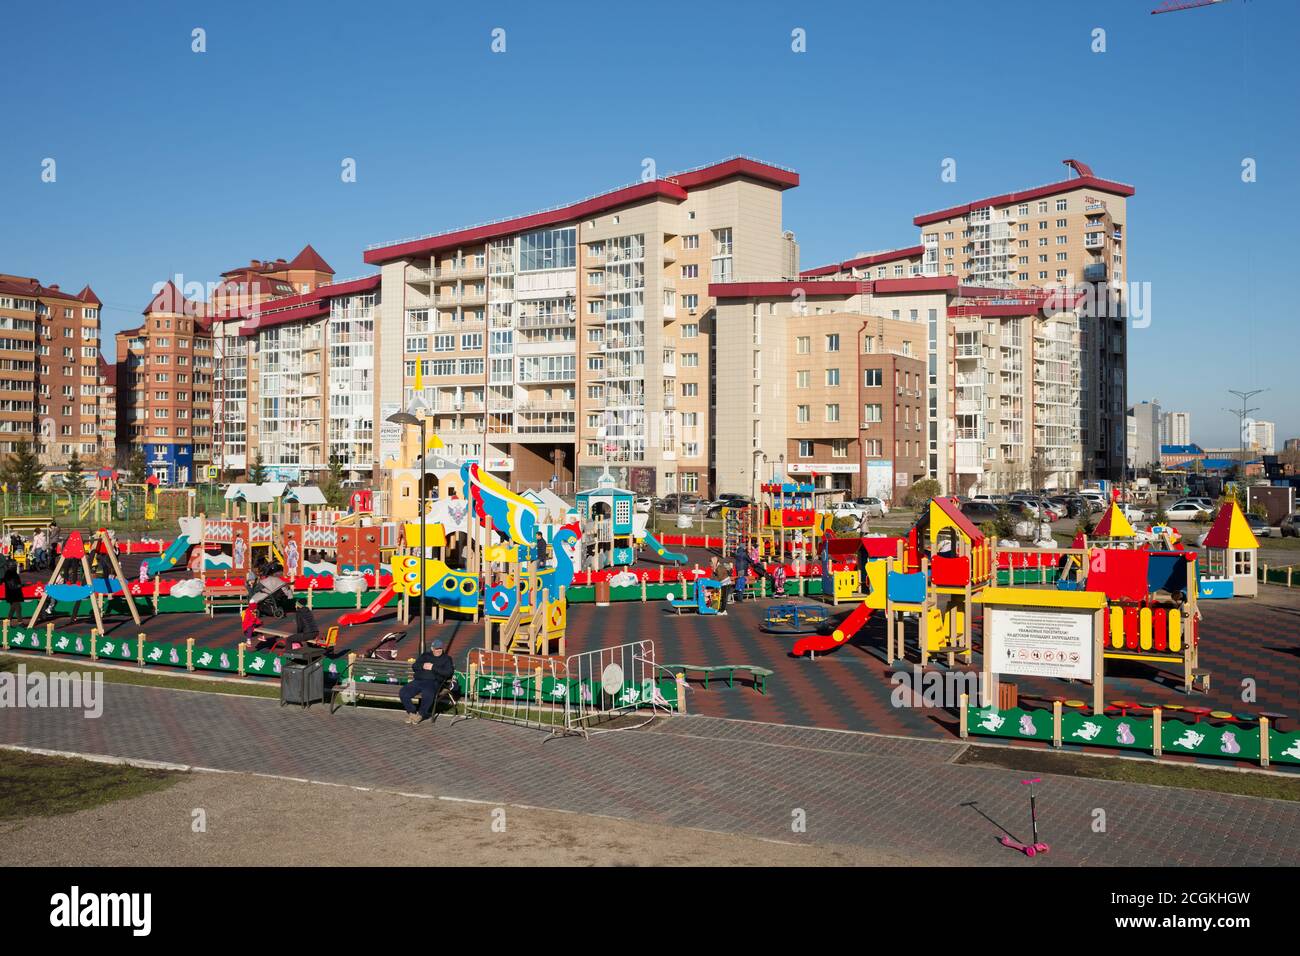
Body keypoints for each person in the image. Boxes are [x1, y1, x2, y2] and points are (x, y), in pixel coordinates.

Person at [399, 638, 454, 725]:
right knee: (403, 692)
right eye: (436, 649)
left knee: (428, 694)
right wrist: (423, 665)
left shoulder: (446, 659)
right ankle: (412, 713)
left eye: (440, 648)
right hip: (419, 680)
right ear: (432, 649)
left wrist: (433, 667)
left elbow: (448, 672)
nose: (438, 650)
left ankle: (421, 714)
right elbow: (415, 666)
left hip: (434, 681)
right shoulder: (425, 656)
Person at [1, 548, 23, 622]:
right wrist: (20, 586)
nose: (15, 566)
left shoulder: (13, 573)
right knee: (18, 607)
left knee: (13, 607)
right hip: (12, 594)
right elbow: (11, 585)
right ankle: (20, 622)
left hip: (14, 594)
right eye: (14, 565)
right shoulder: (8, 574)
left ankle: (8, 621)